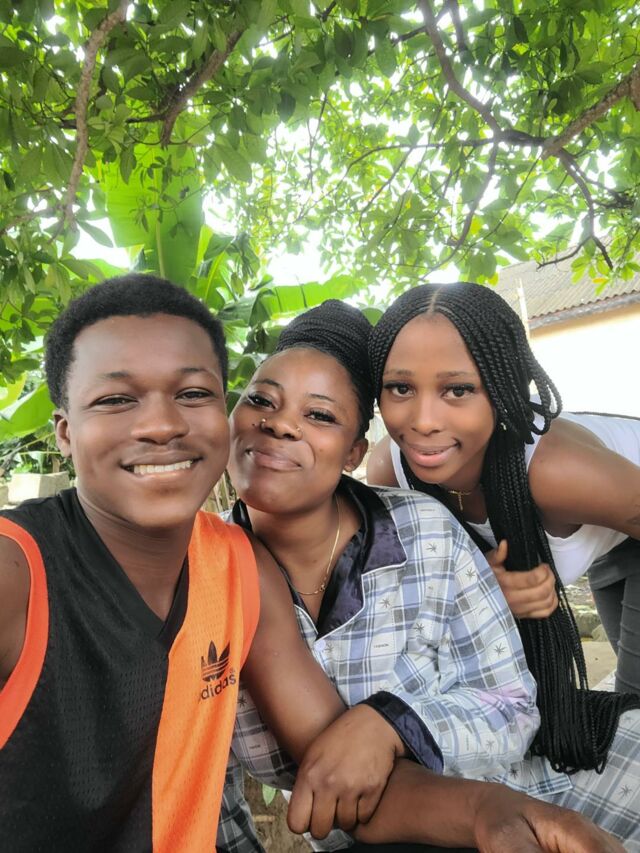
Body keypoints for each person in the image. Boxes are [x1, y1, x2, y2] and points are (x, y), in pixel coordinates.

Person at [0, 276, 616, 853]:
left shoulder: (238, 569)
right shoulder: (21, 568)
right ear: (64, 431)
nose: (161, 424)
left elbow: (333, 764)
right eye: (115, 399)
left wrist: (480, 803)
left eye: (192, 394)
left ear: (353, 450)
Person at [217, 300, 639, 852]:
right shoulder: (206, 577)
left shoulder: (432, 527)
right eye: (260, 399)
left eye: (319, 414)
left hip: (535, 775)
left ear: (352, 451)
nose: (279, 423)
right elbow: (197, 792)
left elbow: (510, 704)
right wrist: (491, 592)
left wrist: (395, 723)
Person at [366, 282, 640, 772]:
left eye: (458, 390)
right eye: (401, 388)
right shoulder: (391, 472)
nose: (423, 421)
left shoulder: (556, 472)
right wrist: (479, 597)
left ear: (503, 389)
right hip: (605, 539)